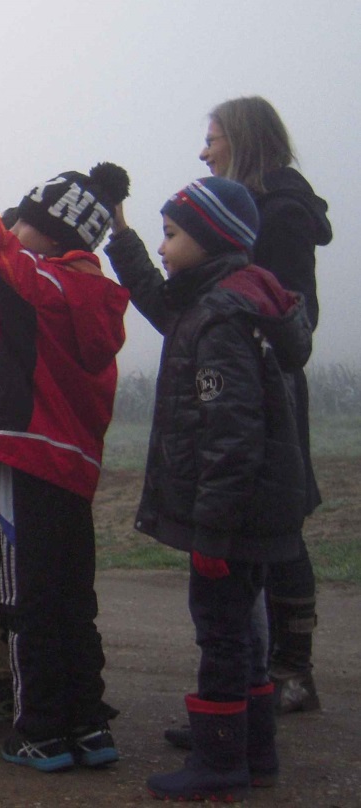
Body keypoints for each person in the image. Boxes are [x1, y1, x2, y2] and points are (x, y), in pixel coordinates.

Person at [0, 93, 130, 770]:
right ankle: (87, 727)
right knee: (72, 595)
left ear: (49, 230)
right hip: (73, 465)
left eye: (27, 219)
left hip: (23, 456)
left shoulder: (35, 285)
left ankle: (40, 729)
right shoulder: (97, 295)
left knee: (24, 598)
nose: (15, 227)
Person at [105, 177, 310, 800]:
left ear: (212, 237)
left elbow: (232, 434)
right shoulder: (226, 298)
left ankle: (221, 764)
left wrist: (213, 531)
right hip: (258, 511)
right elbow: (155, 294)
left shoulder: (220, 318)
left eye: (171, 235)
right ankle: (252, 747)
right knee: (241, 630)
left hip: (234, 517)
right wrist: (123, 232)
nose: (163, 250)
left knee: (221, 631)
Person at [200, 96, 332, 714]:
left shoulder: (279, 214)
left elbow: (294, 314)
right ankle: (250, 676)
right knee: (252, 525)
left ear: (244, 140)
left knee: (279, 525)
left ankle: (291, 670)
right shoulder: (252, 209)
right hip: (238, 386)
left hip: (269, 389)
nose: (205, 151)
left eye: (214, 137)